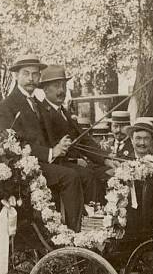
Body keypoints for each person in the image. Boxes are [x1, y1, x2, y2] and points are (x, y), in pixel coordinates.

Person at [0, 55, 84, 232]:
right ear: (16, 76)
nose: (30, 79)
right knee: (70, 176)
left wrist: (63, 147)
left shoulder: (36, 103)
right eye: (26, 74)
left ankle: (88, 225)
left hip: (43, 163)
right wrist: (51, 152)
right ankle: (74, 235)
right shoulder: (7, 106)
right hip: (23, 168)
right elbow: (14, 145)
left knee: (85, 173)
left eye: (35, 75)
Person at [37, 65, 108, 204]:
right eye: (57, 86)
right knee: (88, 176)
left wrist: (106, 159)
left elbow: (84, 139)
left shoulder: (64, 111)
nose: (61, 90)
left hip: (78, 163)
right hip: (61, 166)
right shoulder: (42, 113)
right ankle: (90, 220)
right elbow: (49, 146)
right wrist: (74, 161)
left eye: (63, 86)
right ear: (45, 89)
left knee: (109, 173)